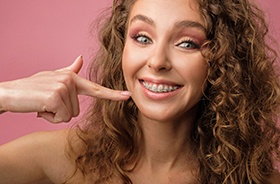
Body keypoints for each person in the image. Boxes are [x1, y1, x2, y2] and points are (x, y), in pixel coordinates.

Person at [0, 0, 279, 183]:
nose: (157, 61)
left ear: (224, 60)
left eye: (187, 43)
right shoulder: (61, 159)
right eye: (142, 38)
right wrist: (4, 96)